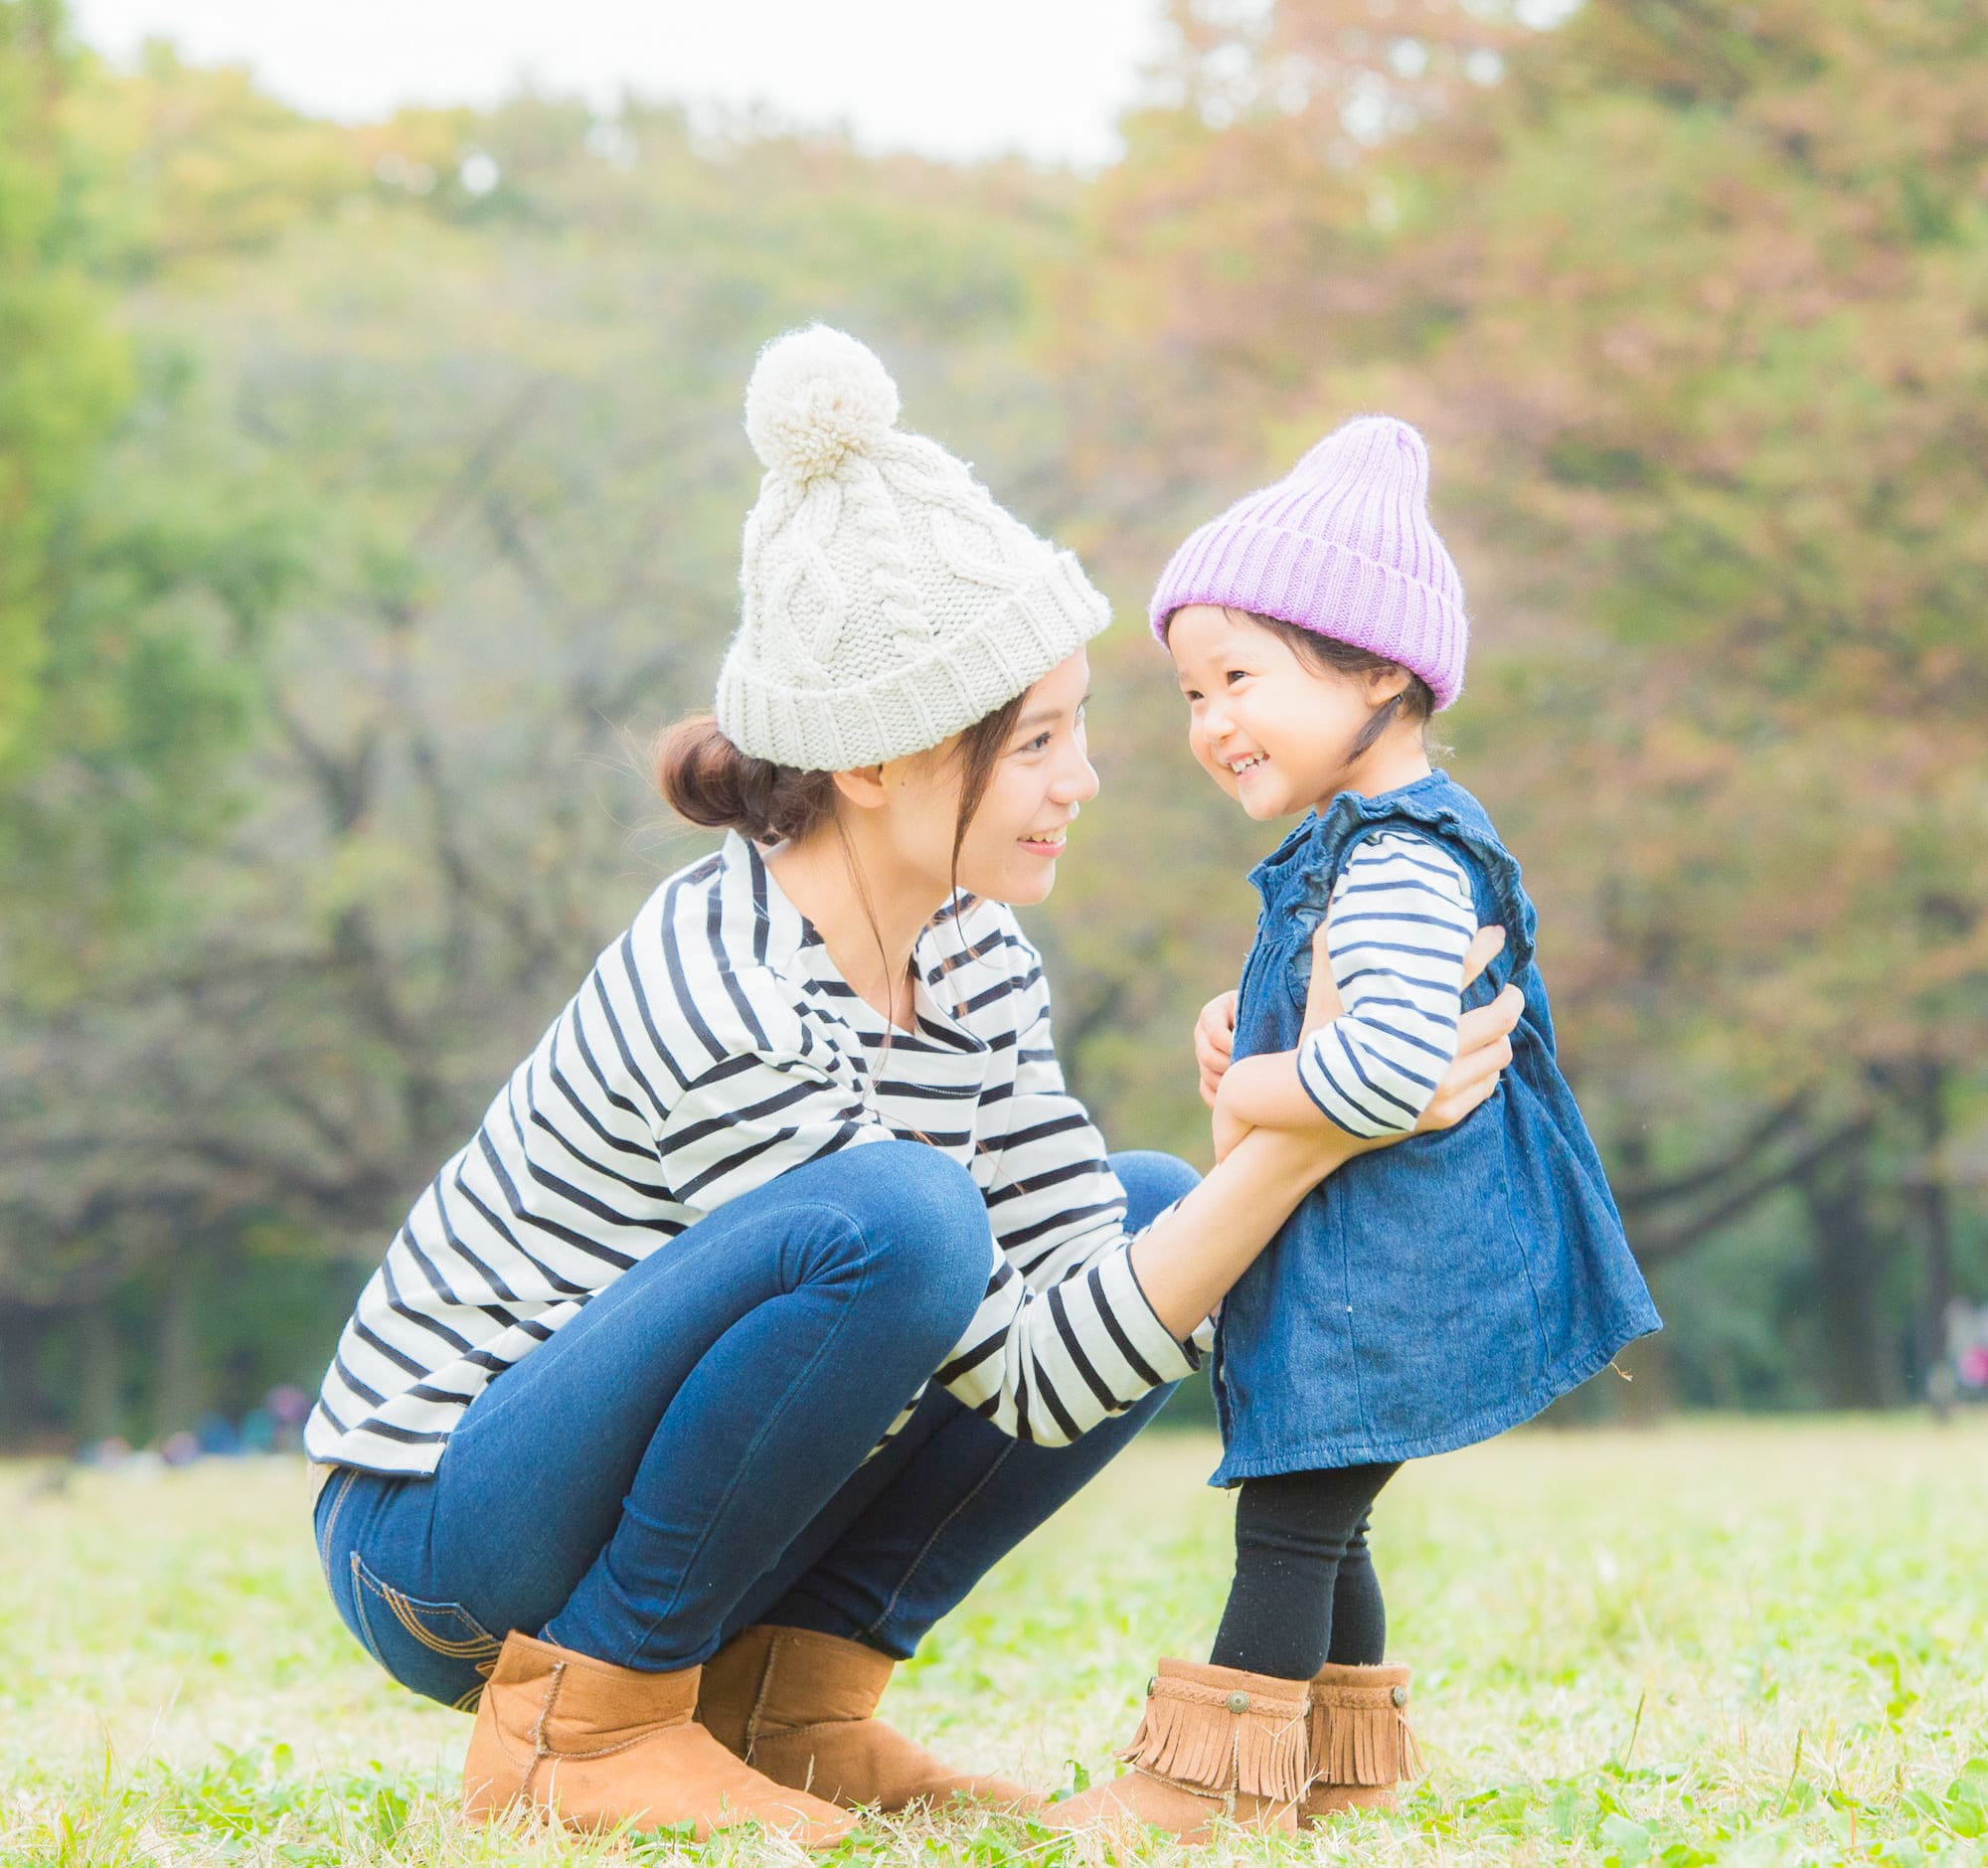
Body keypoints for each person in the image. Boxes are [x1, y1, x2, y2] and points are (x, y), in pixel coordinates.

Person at [303, 334, 1521, 1846]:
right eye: (1037, 745)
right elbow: (995, 1345)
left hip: (632, 1511)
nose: (1083, 782)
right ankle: (594, 1728)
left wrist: (1262, 1142)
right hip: (440, 1539)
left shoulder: (976, 955)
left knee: (1143, 1205)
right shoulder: (731, 993)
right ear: (877, 763)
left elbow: (1062, 1336)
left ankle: (789, 1709)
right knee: (908, 1217)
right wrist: (1308, 1133)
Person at [1049, 416, 1661, 1842]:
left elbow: (1384, 1072)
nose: (1210, 722)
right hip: (1370, 1262)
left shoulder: (1396, 856)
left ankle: (1203, 1789)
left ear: (1381, 670)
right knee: (1325, 1511)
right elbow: (1351, 1019)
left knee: (1295, 1515)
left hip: (1380, 1272)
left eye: (1240, 677)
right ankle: (1346, 1770)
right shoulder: (1374, 846)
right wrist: (1240, 1020)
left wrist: (1249, 1087)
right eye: (1193, 690)